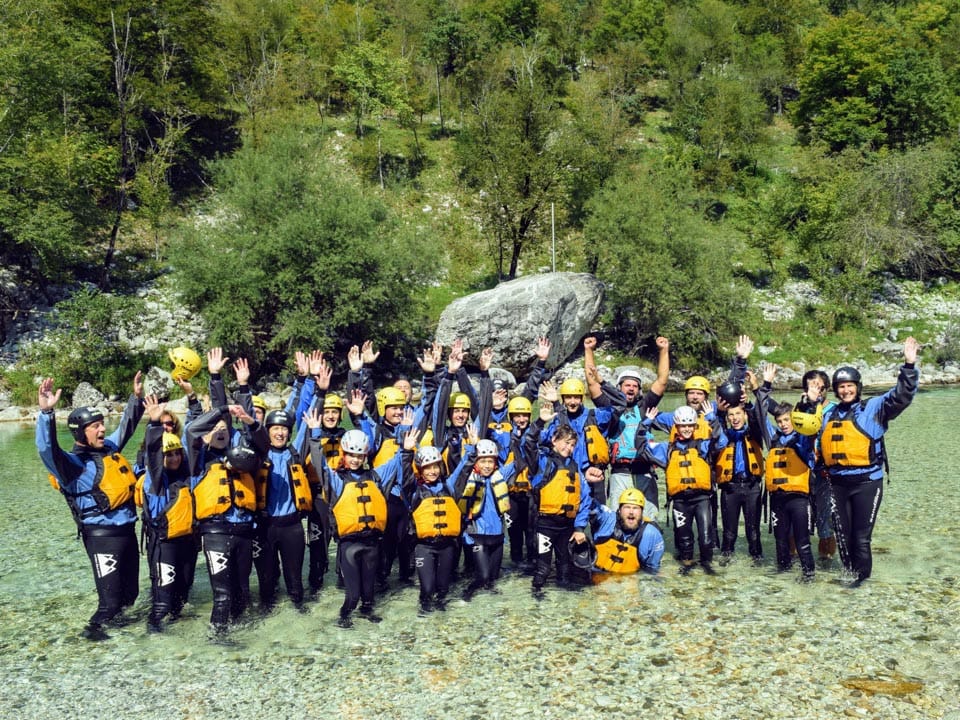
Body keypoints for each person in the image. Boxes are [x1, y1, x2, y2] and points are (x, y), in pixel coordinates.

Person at [37, 374, 145, 640]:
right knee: (109, 604)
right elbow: (47, 450)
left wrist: (136, 398)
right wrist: (46, 413)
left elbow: (126, 427)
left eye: (102, 424)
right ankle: (90, 637)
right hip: (102, 538)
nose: (102, 430)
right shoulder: (71, 465)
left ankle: (121, 639)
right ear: (80, 433)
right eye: (95, 426)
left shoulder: (108, 448)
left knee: (130, 596)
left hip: (127, 533)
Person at [818, 337, 920, 586]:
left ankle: (861, 582)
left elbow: (901, 397)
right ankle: (849, 574)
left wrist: (908, 366)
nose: (846, 390)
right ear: (835, 390)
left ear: (858, 387)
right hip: (837, 484)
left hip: (867, 483)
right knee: (843, 536)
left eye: (850, 386)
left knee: (860, 538)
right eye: (841, 387)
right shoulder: (828, 414)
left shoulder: (873, 408)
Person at [308, 414, 415, 628]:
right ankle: (343, 619)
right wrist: (315, 434)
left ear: (365, 456)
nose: (355, 459)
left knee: (368, 593)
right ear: (344, 454)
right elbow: (320, 464)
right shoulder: (337, 480)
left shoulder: (376, 477)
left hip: (372, 544)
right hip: (349, 546)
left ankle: (367, 614)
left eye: (359, 455)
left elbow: (396, 462)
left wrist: (406, 444)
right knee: (353, 595)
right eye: (351, 455)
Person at [186, 402, 267, 637]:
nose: (220, 432)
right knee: (223, 595)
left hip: (243, 532)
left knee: (242, 590)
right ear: (206, 434)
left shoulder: (243, 458)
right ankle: (218, 637)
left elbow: (263, 444)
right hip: (216, 534)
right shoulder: (197, 461)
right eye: (214, 429)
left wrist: (249, 420)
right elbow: (191, 430)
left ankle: (240, 634)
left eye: (224, 428)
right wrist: (221, 410)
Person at [638, 404, 727, 575]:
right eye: (682, 426)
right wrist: (646, 423)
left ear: (694, 426)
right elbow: (641, 446)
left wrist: (713, 420)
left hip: (701, 499)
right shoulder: (667, 449)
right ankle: (687, 563)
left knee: (706, 538)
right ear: (676, 427)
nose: (686, 429)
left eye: (690, 426)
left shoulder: (703, 446)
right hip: (680, 501)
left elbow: (721, 441)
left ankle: (706, 564)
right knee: (684, 538)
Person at [139, 394, 196, 632]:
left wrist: (194, 401)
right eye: (168, 455)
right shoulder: (155, 481)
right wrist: (153, 424)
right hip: (164, 544)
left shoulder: (186, 477)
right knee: (162, 602)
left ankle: (176, 643)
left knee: (181, 597)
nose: (173, 458)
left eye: (176, 453)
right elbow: (153, 454)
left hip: (187, 543)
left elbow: (192, 434)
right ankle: (153, 637)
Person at [523, 403, 591, 598]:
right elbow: (528, 443)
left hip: (566, 527)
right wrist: (539, 422)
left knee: (565, 569)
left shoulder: (575, 468)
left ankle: (563, 606)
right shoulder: (542, 462)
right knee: (543, 569)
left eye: (572, 445)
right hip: (545, 525)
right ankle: (536, 601)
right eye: (565, 443)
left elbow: (585, 498)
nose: (569, 448)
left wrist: (579, 528)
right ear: (554, 440)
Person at [253, 408, 312, 611]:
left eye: (284, 429)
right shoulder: (259, 455)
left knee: (294, 579)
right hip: (265, 527)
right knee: (267, 581)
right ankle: (268, 615)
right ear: (267, 431)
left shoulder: (295, 453)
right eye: (275, 428)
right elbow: (249, 428)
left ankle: (298, 612)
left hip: (292, 526)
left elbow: (305, 425)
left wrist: (320, 394)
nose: (280, 433)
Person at [605, 336, 670, 516]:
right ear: (619, 387)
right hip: (619, 473)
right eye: (627, 385)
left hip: (644, 471)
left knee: (649, 519)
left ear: (639, 390)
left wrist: (663, 350)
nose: (631, 388)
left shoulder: (644, 407)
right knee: (617, 518)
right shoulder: (610, 409)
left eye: (635, 386)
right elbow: (593, 384)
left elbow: (662, 381)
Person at [757, 387, 816, 581]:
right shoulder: (773, 439)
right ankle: (783, 574)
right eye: (780, 421)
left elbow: (808, 425)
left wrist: (808, 404)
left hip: (799, 500)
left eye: (787, 420)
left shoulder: (801, 440)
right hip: (778, 499)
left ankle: (809, 575)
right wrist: (762, 387)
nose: (783, 424)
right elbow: (761, 413)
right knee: (780, 540)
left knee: (802, 541)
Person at [452, 435, 517, 600]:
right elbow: (462, 469)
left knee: (492, 580)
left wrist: (519, 436)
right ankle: (466, 595)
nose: (487, 465)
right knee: (483, 576)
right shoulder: (467, 478)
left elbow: (521, 462)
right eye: (482, 461)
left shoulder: (501, 475)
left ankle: (489, 607)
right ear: (476, 462)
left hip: (497, 537)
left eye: (490, 461)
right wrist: (471, 449)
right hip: (477, 536)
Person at [403, 445, 462, 614]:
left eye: (435, 466)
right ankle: (424, 612)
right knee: (427, 588)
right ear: (420, 470)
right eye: (427, 468)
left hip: (446, 546)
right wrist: (407, 453)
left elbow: (462, 471)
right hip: (424, 547)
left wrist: (471, 448)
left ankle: (440, 617)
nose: (432, 471)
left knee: (443, 588)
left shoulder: (448, 486)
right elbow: (406, 475)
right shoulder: (413, 490)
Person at [714, 379, 765, 564]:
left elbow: (756, 420)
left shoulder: (754, 434)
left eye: (738, 414)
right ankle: (726, 561)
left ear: (744, 415)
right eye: (731, 415)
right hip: (730, 488)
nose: (734, 418)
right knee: (729, 532)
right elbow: (717, 426)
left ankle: (757, 561)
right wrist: (720, 411)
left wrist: (748, 404)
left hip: (752, 487)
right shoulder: (724, 436)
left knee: (753, 531)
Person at [587, 488, 665, 577]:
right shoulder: (607, 519)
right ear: (619, 510)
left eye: (635, 508)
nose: (631, 512)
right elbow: (587, 502)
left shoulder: (651, 534)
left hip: (628, 579)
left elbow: (652, 572)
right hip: (595, 574)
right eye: (627, 507)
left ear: (642, 512)